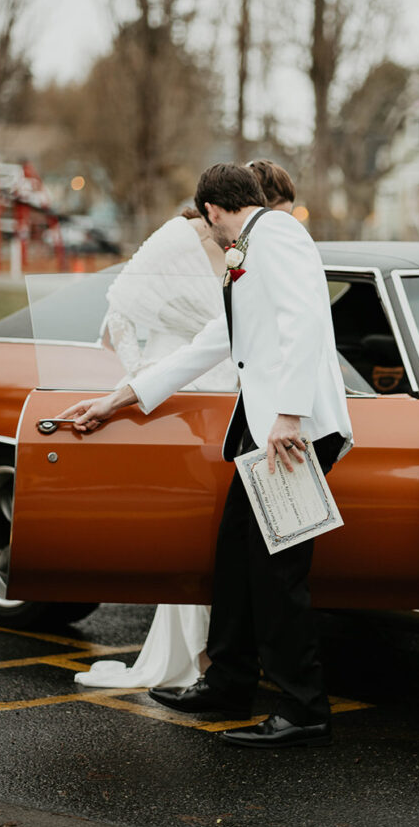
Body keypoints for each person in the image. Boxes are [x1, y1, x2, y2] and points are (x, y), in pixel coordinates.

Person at [58, 162, 352, 748]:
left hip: (293, 432)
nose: (209, 234)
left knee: (277, 574)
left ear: (215, 209)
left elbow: (306, 323)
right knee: (237, 560)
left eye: (207, 221)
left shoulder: (280, 234)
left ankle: (303, 707)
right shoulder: (252, 247)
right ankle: (228, 682)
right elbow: (213, 343)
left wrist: (290, 414)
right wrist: (121, 399)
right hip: (264, 428)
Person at [75, 162, 297, 692]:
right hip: (185, 387)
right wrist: (139, 382)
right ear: (236, 208)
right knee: (201, 527)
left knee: (230, 535)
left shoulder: (256, 248)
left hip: (238, 388)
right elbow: (117, 317)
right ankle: (210, 660)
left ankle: (230, 656)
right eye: (274, 217)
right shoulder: (180, 239)